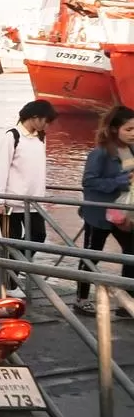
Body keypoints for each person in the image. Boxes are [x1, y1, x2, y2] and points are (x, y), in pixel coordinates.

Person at [0, 100, 56, 293]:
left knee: (38, 236)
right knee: (11, 243)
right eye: (46, 120)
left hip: (33, 202)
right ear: (34, 117)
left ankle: (14, 274)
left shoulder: (40, 137)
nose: (47, 125)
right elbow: (1, 169)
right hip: (9, 202)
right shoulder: (13, 136)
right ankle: (9, 286)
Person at [76, 105, 134, 315]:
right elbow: (89, 182)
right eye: (129, 129)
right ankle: (81, 299)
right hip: (99, 214)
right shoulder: (100, 153)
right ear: (114, 129)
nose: (133, 133)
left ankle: (127, 301)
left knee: (131, 252)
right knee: (92, 255)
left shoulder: (130, 150)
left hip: (123, 213)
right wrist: (121, 182)